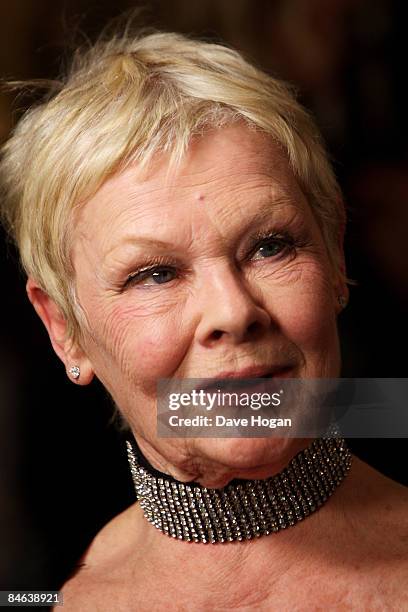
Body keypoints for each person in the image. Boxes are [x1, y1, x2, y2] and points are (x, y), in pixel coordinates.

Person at [1, 26, 407, 611]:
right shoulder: (53, 599)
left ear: (336, 256)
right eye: (155, 274)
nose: (234, 311)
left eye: (271, 246)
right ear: (64, 329)